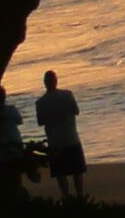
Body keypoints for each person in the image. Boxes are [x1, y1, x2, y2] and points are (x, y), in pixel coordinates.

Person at [37, 69, 87, 201]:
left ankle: (67, 197)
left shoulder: (41, 102)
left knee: (61, 172)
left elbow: (40, 121)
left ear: (45, 83)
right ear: (56, 80)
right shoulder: (67, 94)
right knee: (77, 170)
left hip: (54, 141)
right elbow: (76, 111)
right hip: (71, 137)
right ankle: (80, 197)